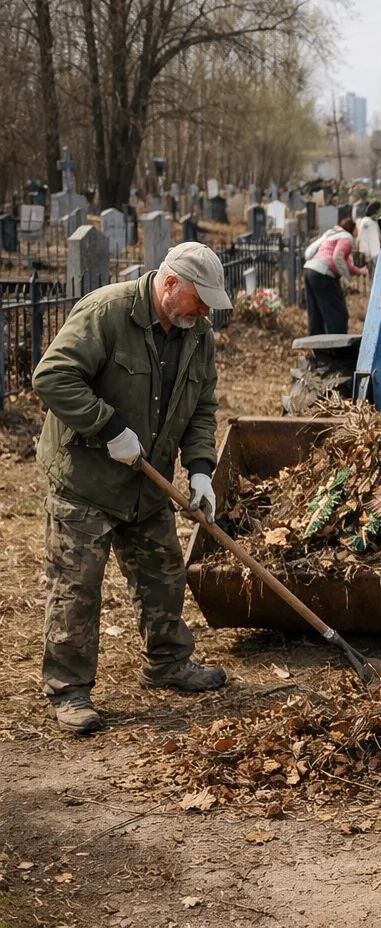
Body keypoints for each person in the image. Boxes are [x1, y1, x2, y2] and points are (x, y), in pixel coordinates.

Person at [32, 242, 234, 735]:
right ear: (169, 285)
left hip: (147, 482)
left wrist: (202, 468)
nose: (205, 309)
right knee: (77, 586)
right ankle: (69, 689)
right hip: (87, 478)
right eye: (199, 298)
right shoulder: (107, 313)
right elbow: (53, 377)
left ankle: (167, 662)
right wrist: (108, 427)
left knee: (164, 575)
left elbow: (201, 407)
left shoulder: (196, 335)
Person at [302, 217, 367, 335]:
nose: (358, 230)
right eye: (356, 228)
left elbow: (343, 262)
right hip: (323, 274)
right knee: (338, 314)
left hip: (309, 271)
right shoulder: (347, 237)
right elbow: (337, 257)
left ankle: (317, 349)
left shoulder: (331, 235)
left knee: (316, 314)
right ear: (352, 229)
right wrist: (348, 279)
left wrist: (359, 271)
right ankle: (337, 347)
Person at [355, 200, 381, 278]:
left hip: (377, 253)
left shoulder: (374, 222)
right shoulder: (366, 221)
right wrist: (367, 255)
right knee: (373, 277)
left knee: (376, 276)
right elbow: (362, 239)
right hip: (371, 255)